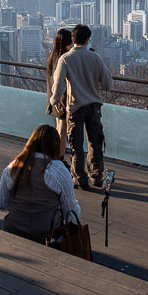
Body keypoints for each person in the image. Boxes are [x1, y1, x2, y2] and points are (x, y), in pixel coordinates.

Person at [50, 24, 113, 191]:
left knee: (76, 145)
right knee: (95, 142)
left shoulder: (65, 59)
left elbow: (58, 86)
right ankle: (97, 175)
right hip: (94, 106)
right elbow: (108, 84)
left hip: (75, 107)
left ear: (73, 39)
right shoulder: (96, 58)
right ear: (87, 40)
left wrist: (54, 101)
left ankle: (80, 178)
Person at [0, 125, 81, 242]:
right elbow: (70, 212)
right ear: (54, 146)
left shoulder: (13, 167)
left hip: (13, 230)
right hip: (46, 236)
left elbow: (0, 203)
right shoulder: (58, 170)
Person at [46, 28, 72, 158]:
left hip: (54, 98)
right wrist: (61, 100)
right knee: (62, 131)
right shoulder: (63, 59)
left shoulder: (53, 56)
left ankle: (56, 155)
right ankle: (59, 158)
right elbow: (61, 82)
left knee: (59, 128)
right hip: (61, 99)